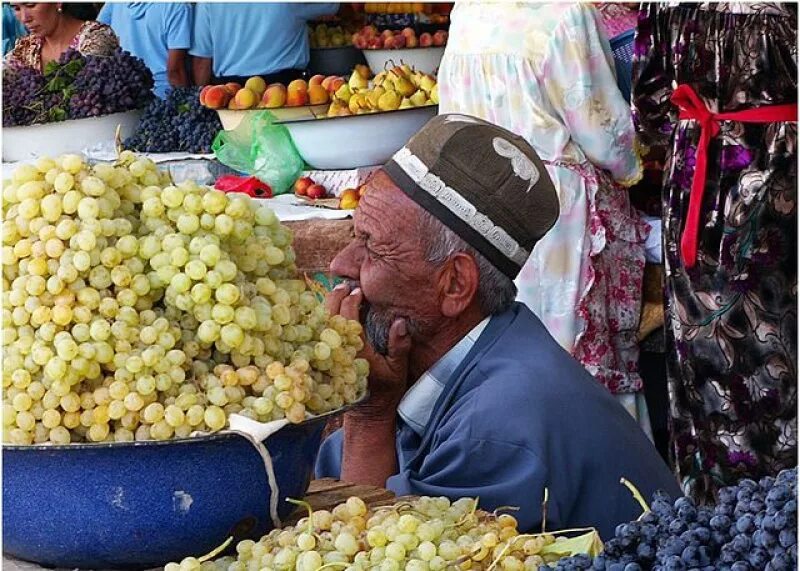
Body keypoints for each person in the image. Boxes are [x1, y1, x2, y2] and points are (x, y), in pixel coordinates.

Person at [315, 114, 680, 539]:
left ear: (454, 284)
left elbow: (362, 552)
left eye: (371, 247)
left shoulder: (497, 427)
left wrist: (367, 417)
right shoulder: (465, 349)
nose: (339, 265)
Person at [436, 2, 652, 432]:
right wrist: (636, 165)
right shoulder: (565, 14)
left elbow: (448, 117)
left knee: (503, 355)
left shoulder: (469, 10)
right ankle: (599, 475)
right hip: (552, 213)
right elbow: (604, 132)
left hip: (483, 201)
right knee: (570, 355)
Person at [632, 2, 797, 503]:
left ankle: (716, 514)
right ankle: (782, 515)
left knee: (703, 353)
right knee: (778, 351)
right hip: (776, 180)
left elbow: (650, 107)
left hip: (696, 188)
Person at [190, 2, 338, 87]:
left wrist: (203, 105)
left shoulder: (207, 3)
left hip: (231, 95)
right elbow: (336, 6)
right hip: (287, 91)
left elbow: (202, 61)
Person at [97, 2, 192, 99]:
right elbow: (175, 72)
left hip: (124, 93)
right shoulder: (178, 7)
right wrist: (186, 104)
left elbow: (97, 40)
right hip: (164, 95)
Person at [5, 2, 116, 70]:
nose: (24, 18)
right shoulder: (26, 47)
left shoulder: (96, 38)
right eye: (16, 8)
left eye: (31, 5)